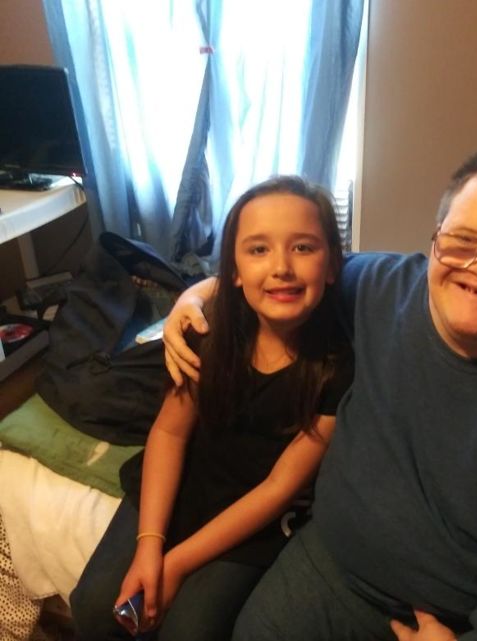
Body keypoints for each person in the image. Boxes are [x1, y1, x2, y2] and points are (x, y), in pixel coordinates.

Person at [162, 148, 477, 641]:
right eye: (462, 241)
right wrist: (195, 295)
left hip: (446, 620)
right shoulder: (381, 288)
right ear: (435, 241)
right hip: (326, 563)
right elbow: (291, 274)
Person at [70, 175, 355, 641]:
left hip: (255, 517)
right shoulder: (210, 335)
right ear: (234, 271)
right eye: (258, 249)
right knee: (94, 605)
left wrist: (177, 563)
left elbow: (278, 488)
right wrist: (150, 546)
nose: (281, 267)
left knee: (191, 631)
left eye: (303, 247)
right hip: (183, 486)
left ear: (331, 265)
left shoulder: (338, 367)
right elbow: (169, 433)